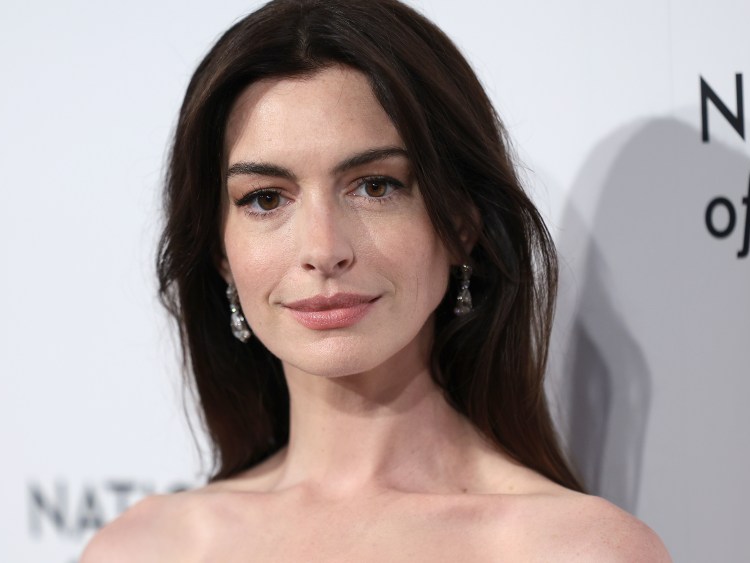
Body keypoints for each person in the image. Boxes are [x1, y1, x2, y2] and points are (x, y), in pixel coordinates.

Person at [84, 0, 670, 560]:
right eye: (265, 198)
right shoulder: (142, 550)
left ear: (461, 224)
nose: (323, 249)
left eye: (375, 186)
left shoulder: (578, 551)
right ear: (219, 251)